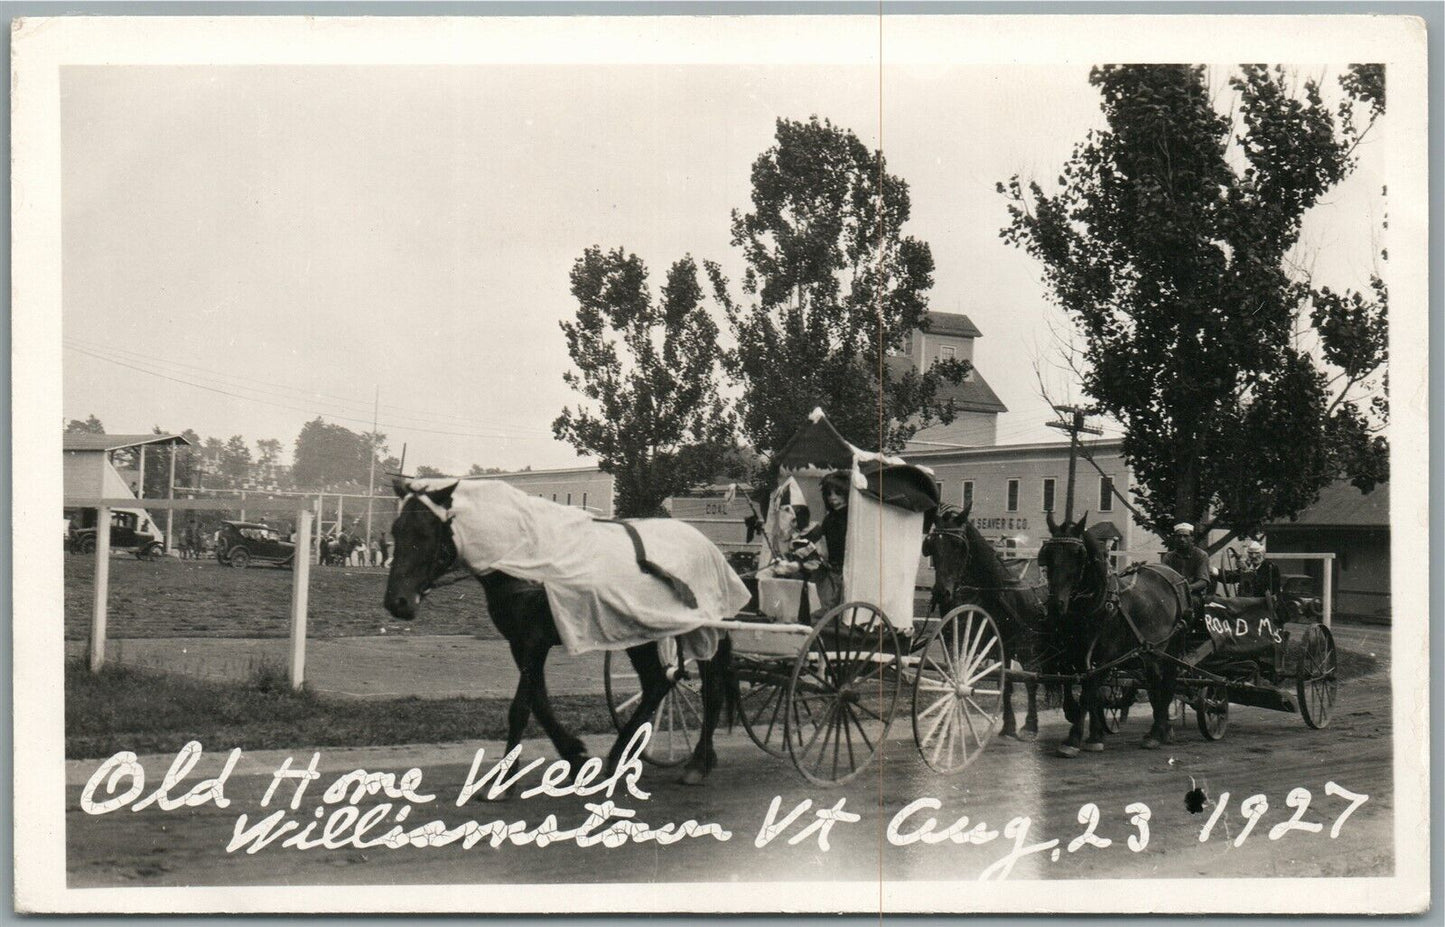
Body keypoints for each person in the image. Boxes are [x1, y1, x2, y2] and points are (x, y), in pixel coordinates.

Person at [795, 471, 851, 610]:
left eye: (838, 493)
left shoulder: (852, 517)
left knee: (838, 605)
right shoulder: (829, 518)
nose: (833, 498)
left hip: (848, 570)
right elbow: (822, 542)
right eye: (829, 494)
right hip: (831, 569)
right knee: (825, 603)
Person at [1162, 522, 1213, 623]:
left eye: (1185, 536)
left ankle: (1182, 628)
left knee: (1187, 605)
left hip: (1194, 595)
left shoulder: (1200, 555)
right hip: (1171, 594)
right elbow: (1162, 577)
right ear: (1175, 538)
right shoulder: (1168, 557)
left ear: (1192, 538)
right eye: (1179, 536)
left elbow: (1203, 581)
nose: (1182, 539)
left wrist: (1186, 588)